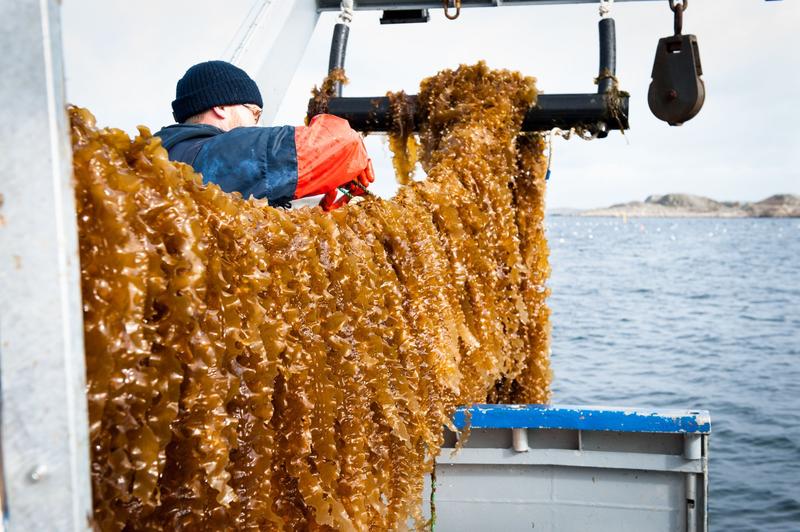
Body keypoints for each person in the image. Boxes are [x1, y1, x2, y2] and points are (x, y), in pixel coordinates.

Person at [154, 60, 374, 210]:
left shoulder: (170, 153)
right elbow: (340, 142)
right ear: (220, 106)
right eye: (255, 113)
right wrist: (354, 154)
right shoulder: (217, 153)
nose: (256, 125)